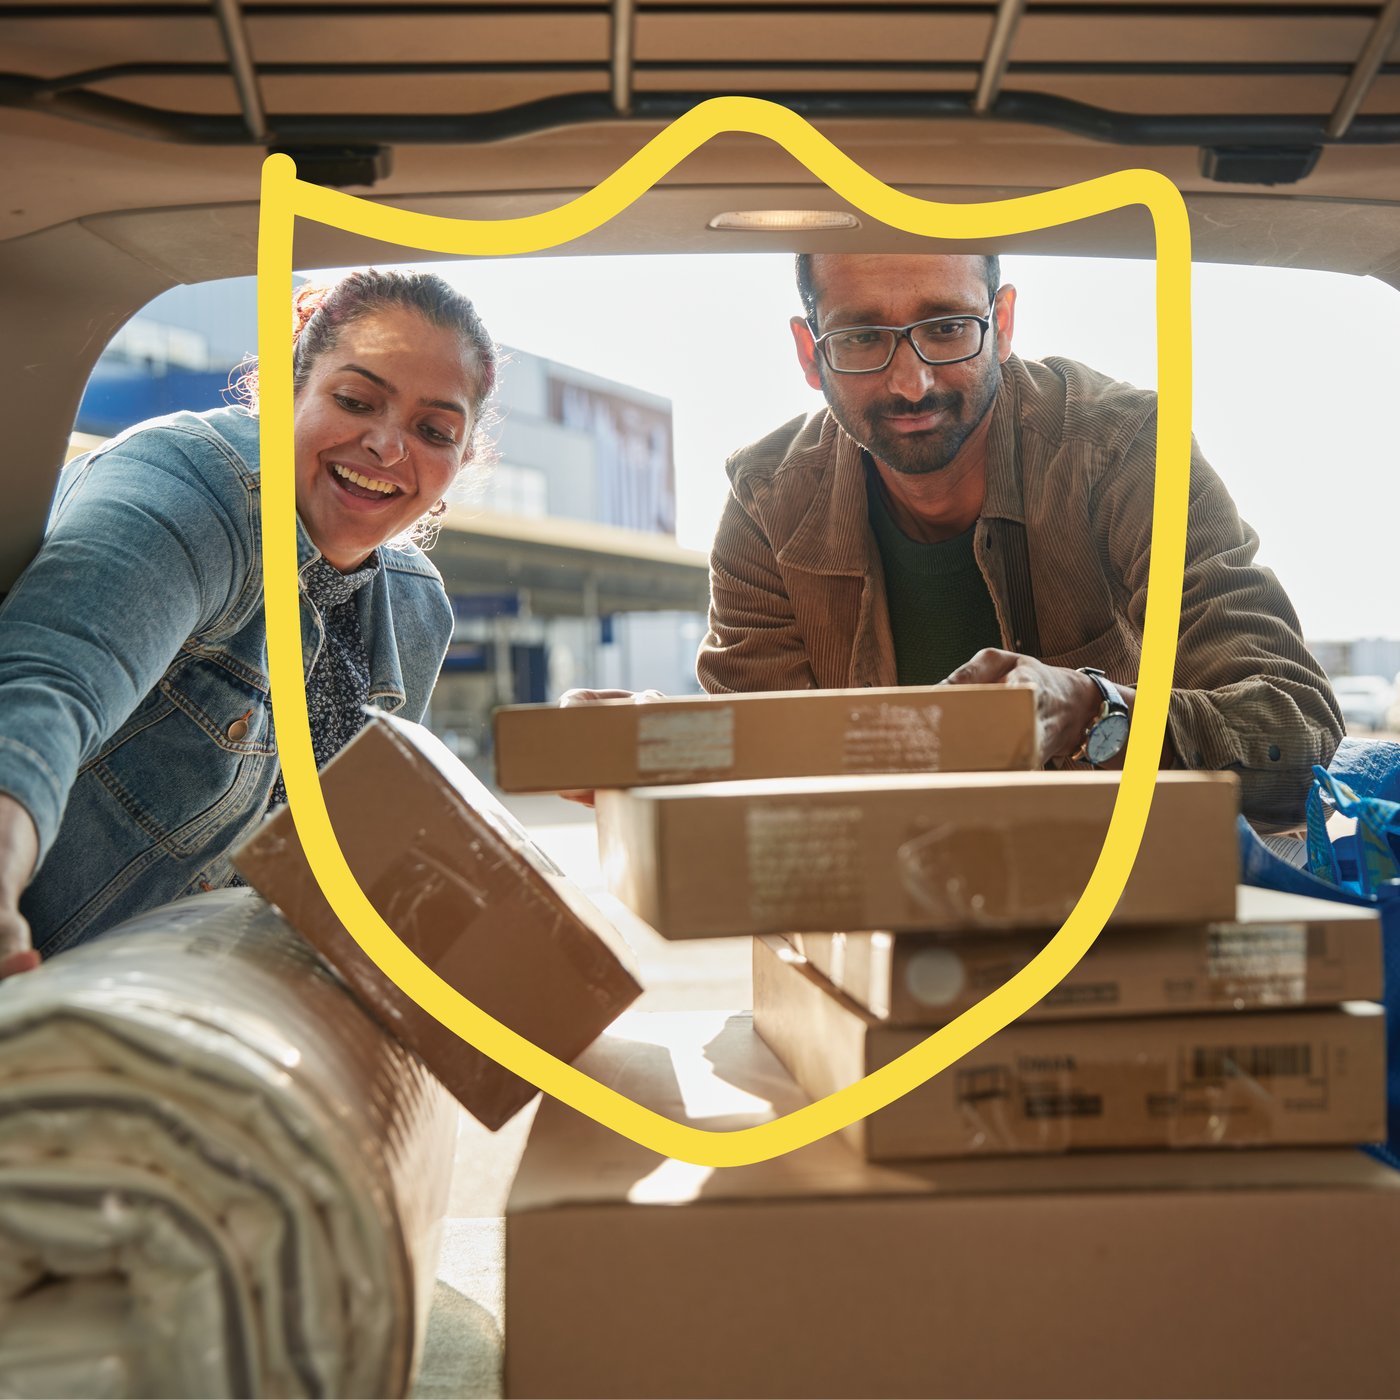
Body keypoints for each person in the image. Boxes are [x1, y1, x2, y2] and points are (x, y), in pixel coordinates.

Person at [697, 252, 1341, 827]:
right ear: (811, 355)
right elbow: (757, 778)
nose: (910, 383)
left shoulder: (1124, 451)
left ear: (1001, 325)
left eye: (947, 328)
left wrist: (1097, 711)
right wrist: (651, 741)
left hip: (1116, 900)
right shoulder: (766, 503)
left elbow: (1297, 731)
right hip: (880, 917)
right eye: (863, 337)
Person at [0, 268, 496, 976]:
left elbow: (356, 859)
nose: (388, 447)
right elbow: (49, 683)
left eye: (434, 430)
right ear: (285, 389)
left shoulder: (418, 607)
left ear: (463, 458)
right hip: (60, 995)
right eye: (356, 400)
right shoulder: (194, 487)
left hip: (235, 1002)